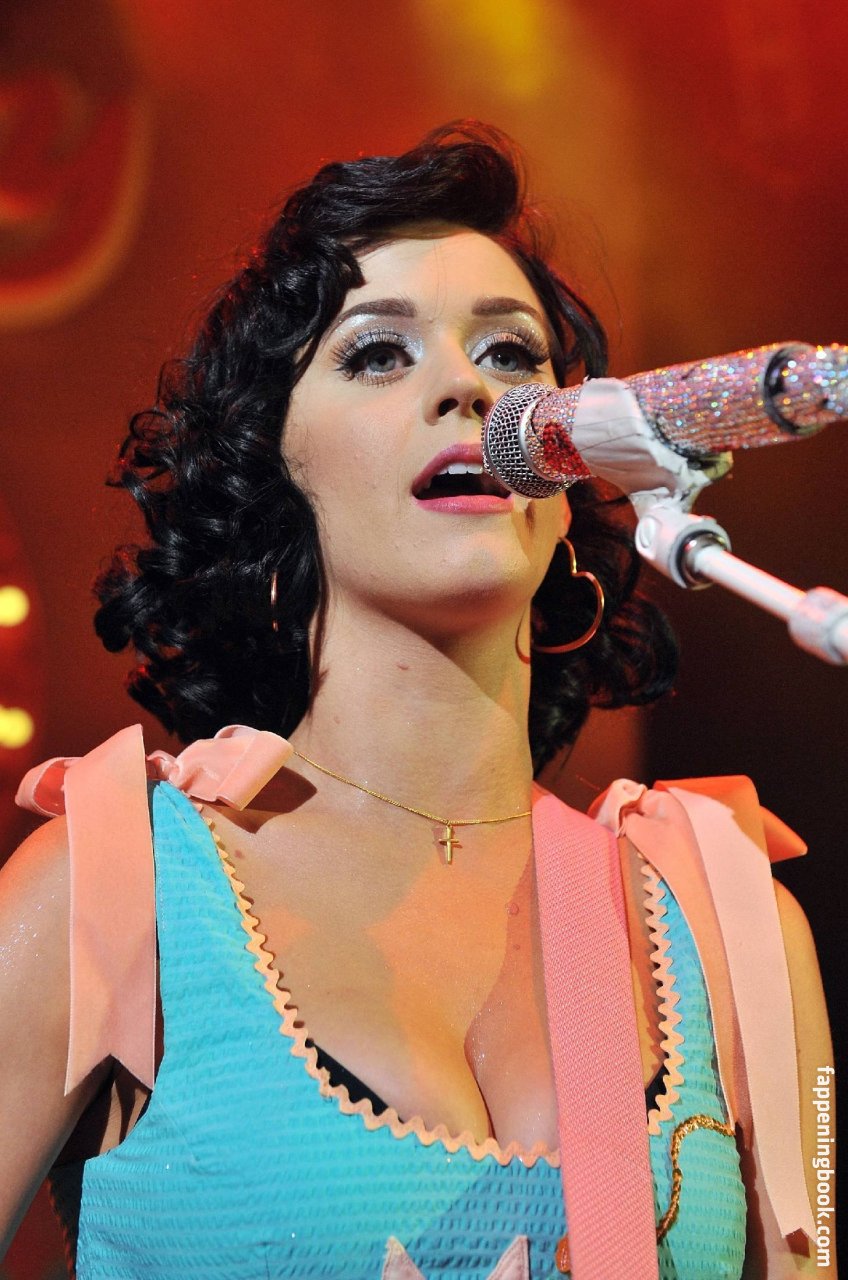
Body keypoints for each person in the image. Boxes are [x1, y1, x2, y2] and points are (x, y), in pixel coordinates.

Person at [0, 122, 834, 1279]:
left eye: (509, 353)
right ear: (274, 471)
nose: (466, 387)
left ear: (567, 475)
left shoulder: (728, 921)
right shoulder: (111, 890)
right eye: (378, 354)